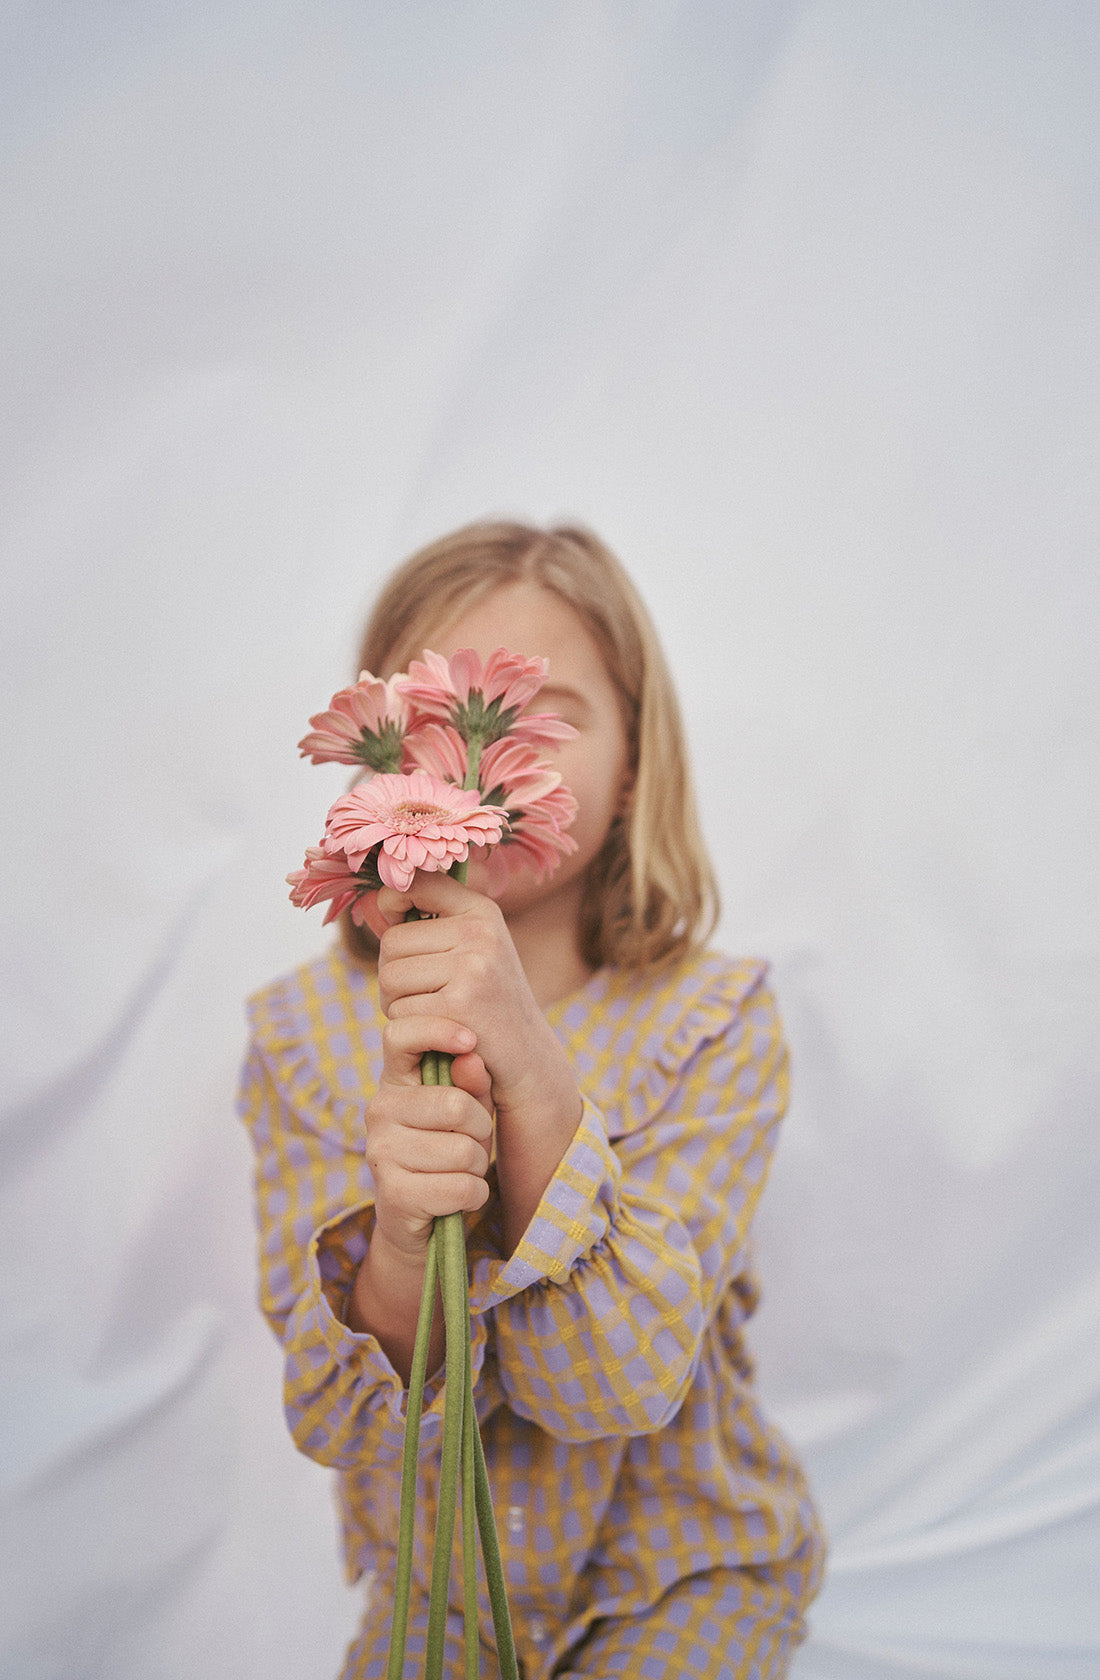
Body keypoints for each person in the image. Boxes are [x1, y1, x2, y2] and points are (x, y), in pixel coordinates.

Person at [237, 520, 826, 1680]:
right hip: (437, 1589)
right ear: (373, 766)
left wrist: (521, 1050)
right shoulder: (301, 1039)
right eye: (427, 727)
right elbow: (341, 1419)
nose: (476, 762)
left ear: (633, 771)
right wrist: (402, 1233)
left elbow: (608, 1386)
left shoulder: (713, 1023)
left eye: (535, 719)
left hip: (685, 1569)